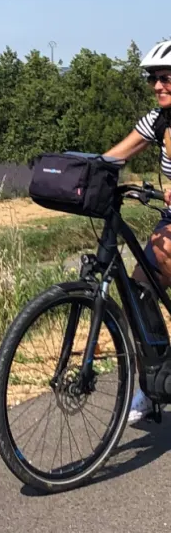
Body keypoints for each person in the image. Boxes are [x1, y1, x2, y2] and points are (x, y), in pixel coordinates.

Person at [103, 39, 171, 423]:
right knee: (140, 284)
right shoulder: (159, 120)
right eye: (153, 79)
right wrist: (84, 170)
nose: (158, 86)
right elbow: (118, 153)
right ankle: (156, 381)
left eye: (166, 78)